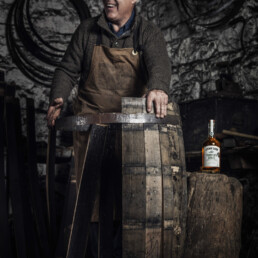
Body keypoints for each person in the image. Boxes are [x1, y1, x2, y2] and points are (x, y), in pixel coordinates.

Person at [46, 0, 171, 257]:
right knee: (90, 203)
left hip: (132, 136)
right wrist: (58, 96)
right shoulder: (87, 31)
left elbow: (159, 62)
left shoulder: (147, 32)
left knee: (130, 201)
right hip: (91, 132)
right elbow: (67, 69)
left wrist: (158, 86)